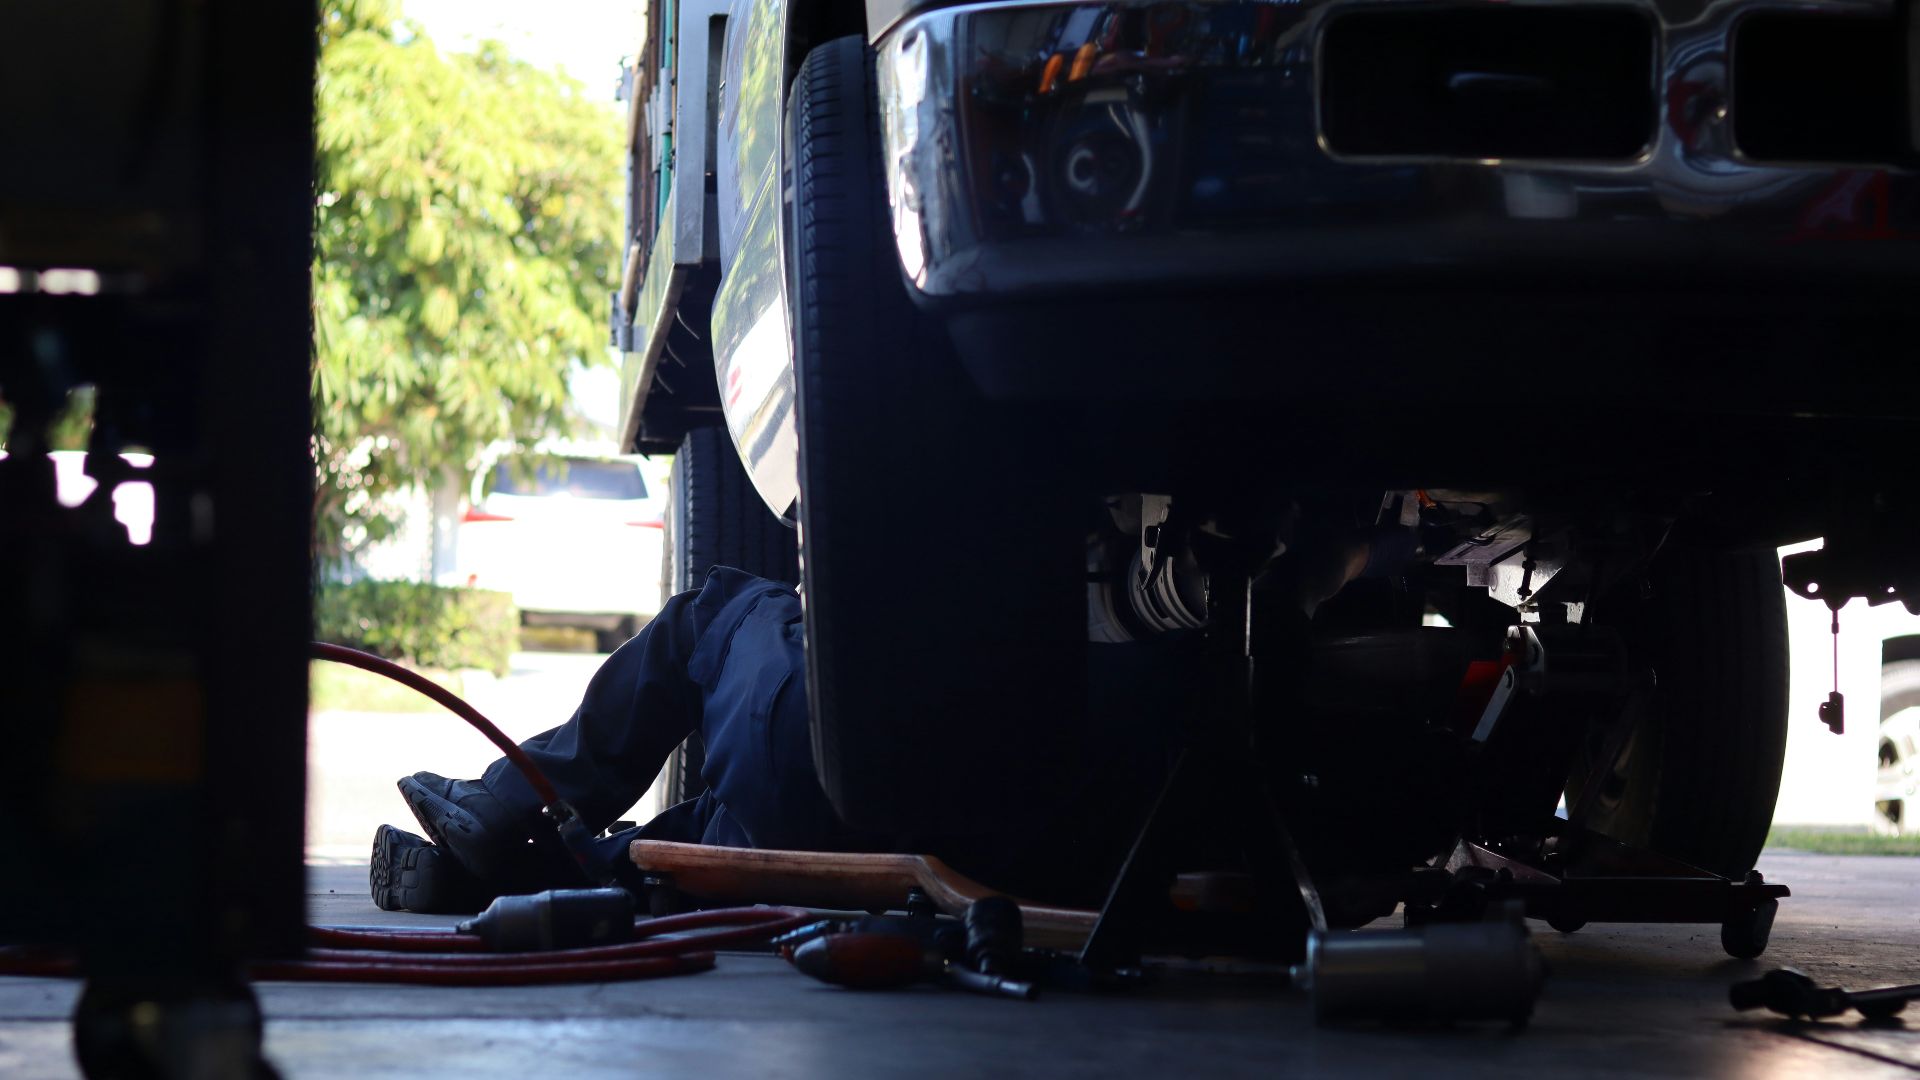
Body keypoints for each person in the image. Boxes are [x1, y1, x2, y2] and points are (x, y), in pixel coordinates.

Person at [374, 567, 1190, 914]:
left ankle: (507, 798)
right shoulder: (1204, 777)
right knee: (693, 846)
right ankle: (508, 880)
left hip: (825, 734)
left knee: (714, 615)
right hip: (860, 859)